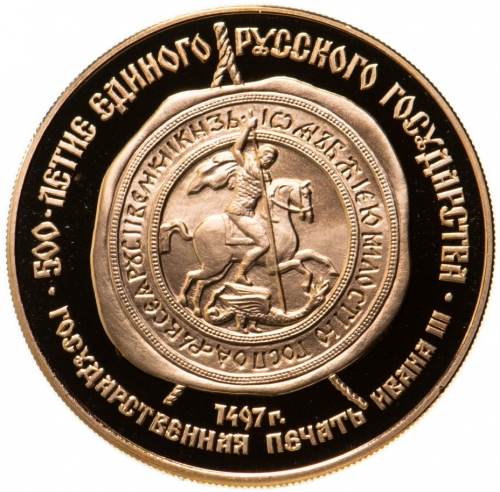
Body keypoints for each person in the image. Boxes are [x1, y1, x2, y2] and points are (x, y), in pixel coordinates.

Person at [226, 117, 278, 285]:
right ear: (260, 154)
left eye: (272, 160)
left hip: (250, 213)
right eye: (268, 157)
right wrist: (247, 128)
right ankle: (240, 274)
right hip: (238, 212)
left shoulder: (266, 176)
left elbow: (268, 195)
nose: (269, 161)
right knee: (264, 244)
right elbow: (236, 149)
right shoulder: (246, 163)